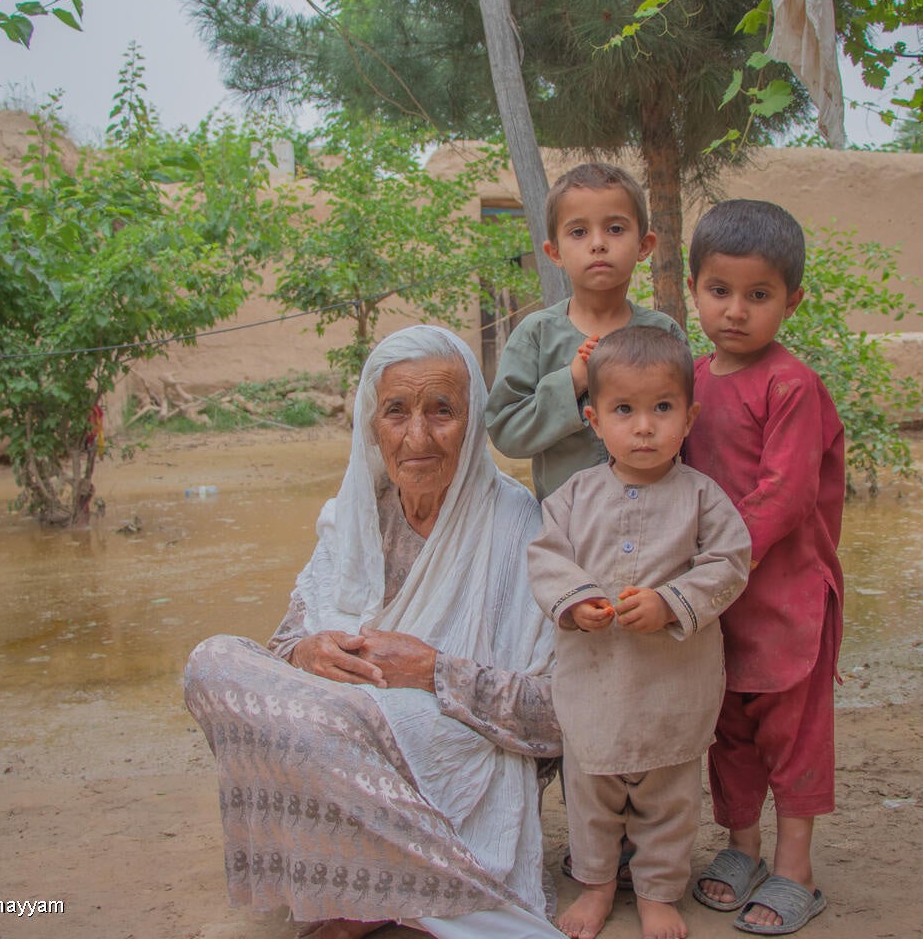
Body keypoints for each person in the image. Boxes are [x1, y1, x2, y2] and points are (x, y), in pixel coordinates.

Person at [183, 325, 566, 939]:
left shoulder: (517, 524)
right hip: (342, 729)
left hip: (449, 742)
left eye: (442, 411)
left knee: (329, 726)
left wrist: (434, 669)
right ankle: (379, 884)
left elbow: (558, 716)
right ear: (370, 423)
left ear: (473, 424)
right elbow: (281, 647)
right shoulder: (355, 515)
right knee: (212, 662)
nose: (418, 436)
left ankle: (388, 894)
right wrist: (308, 650)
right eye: (396, 412)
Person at [527, 326, 751, 939]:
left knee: (669, 799)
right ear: (595, 420)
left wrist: (672, 602)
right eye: (624, 410)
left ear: (690, 416)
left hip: (673, 684)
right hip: (595, 682)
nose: (644, 426)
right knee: (592, 795)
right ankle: (596, 887)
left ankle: (657, 893)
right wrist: (575, 604)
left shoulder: (702, 498)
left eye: (662, 408)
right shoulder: (573, 497)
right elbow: (546, 559)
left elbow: (730, 562)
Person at [682, 200, 845, 936]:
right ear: (693, 289)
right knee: (732, 731)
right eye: (720, 291)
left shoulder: (791, 385)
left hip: (788, 602)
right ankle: (741, 849)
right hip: (721, 605)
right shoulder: (689, 380)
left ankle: (796, 870)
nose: (736, 312)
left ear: (792, 300)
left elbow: (783, 496)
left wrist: (707, 564)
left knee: (794, 736)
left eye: (758, 295)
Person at [487, 162, 689, 500]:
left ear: (644, 245)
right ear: (555, 252)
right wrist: (573, 382)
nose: (597, 243)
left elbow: (687, 428)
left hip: (654, 523)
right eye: (578, 232)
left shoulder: (663, 332)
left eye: (615, 228)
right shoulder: (537, 335)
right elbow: (507, 432)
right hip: (565, 533)